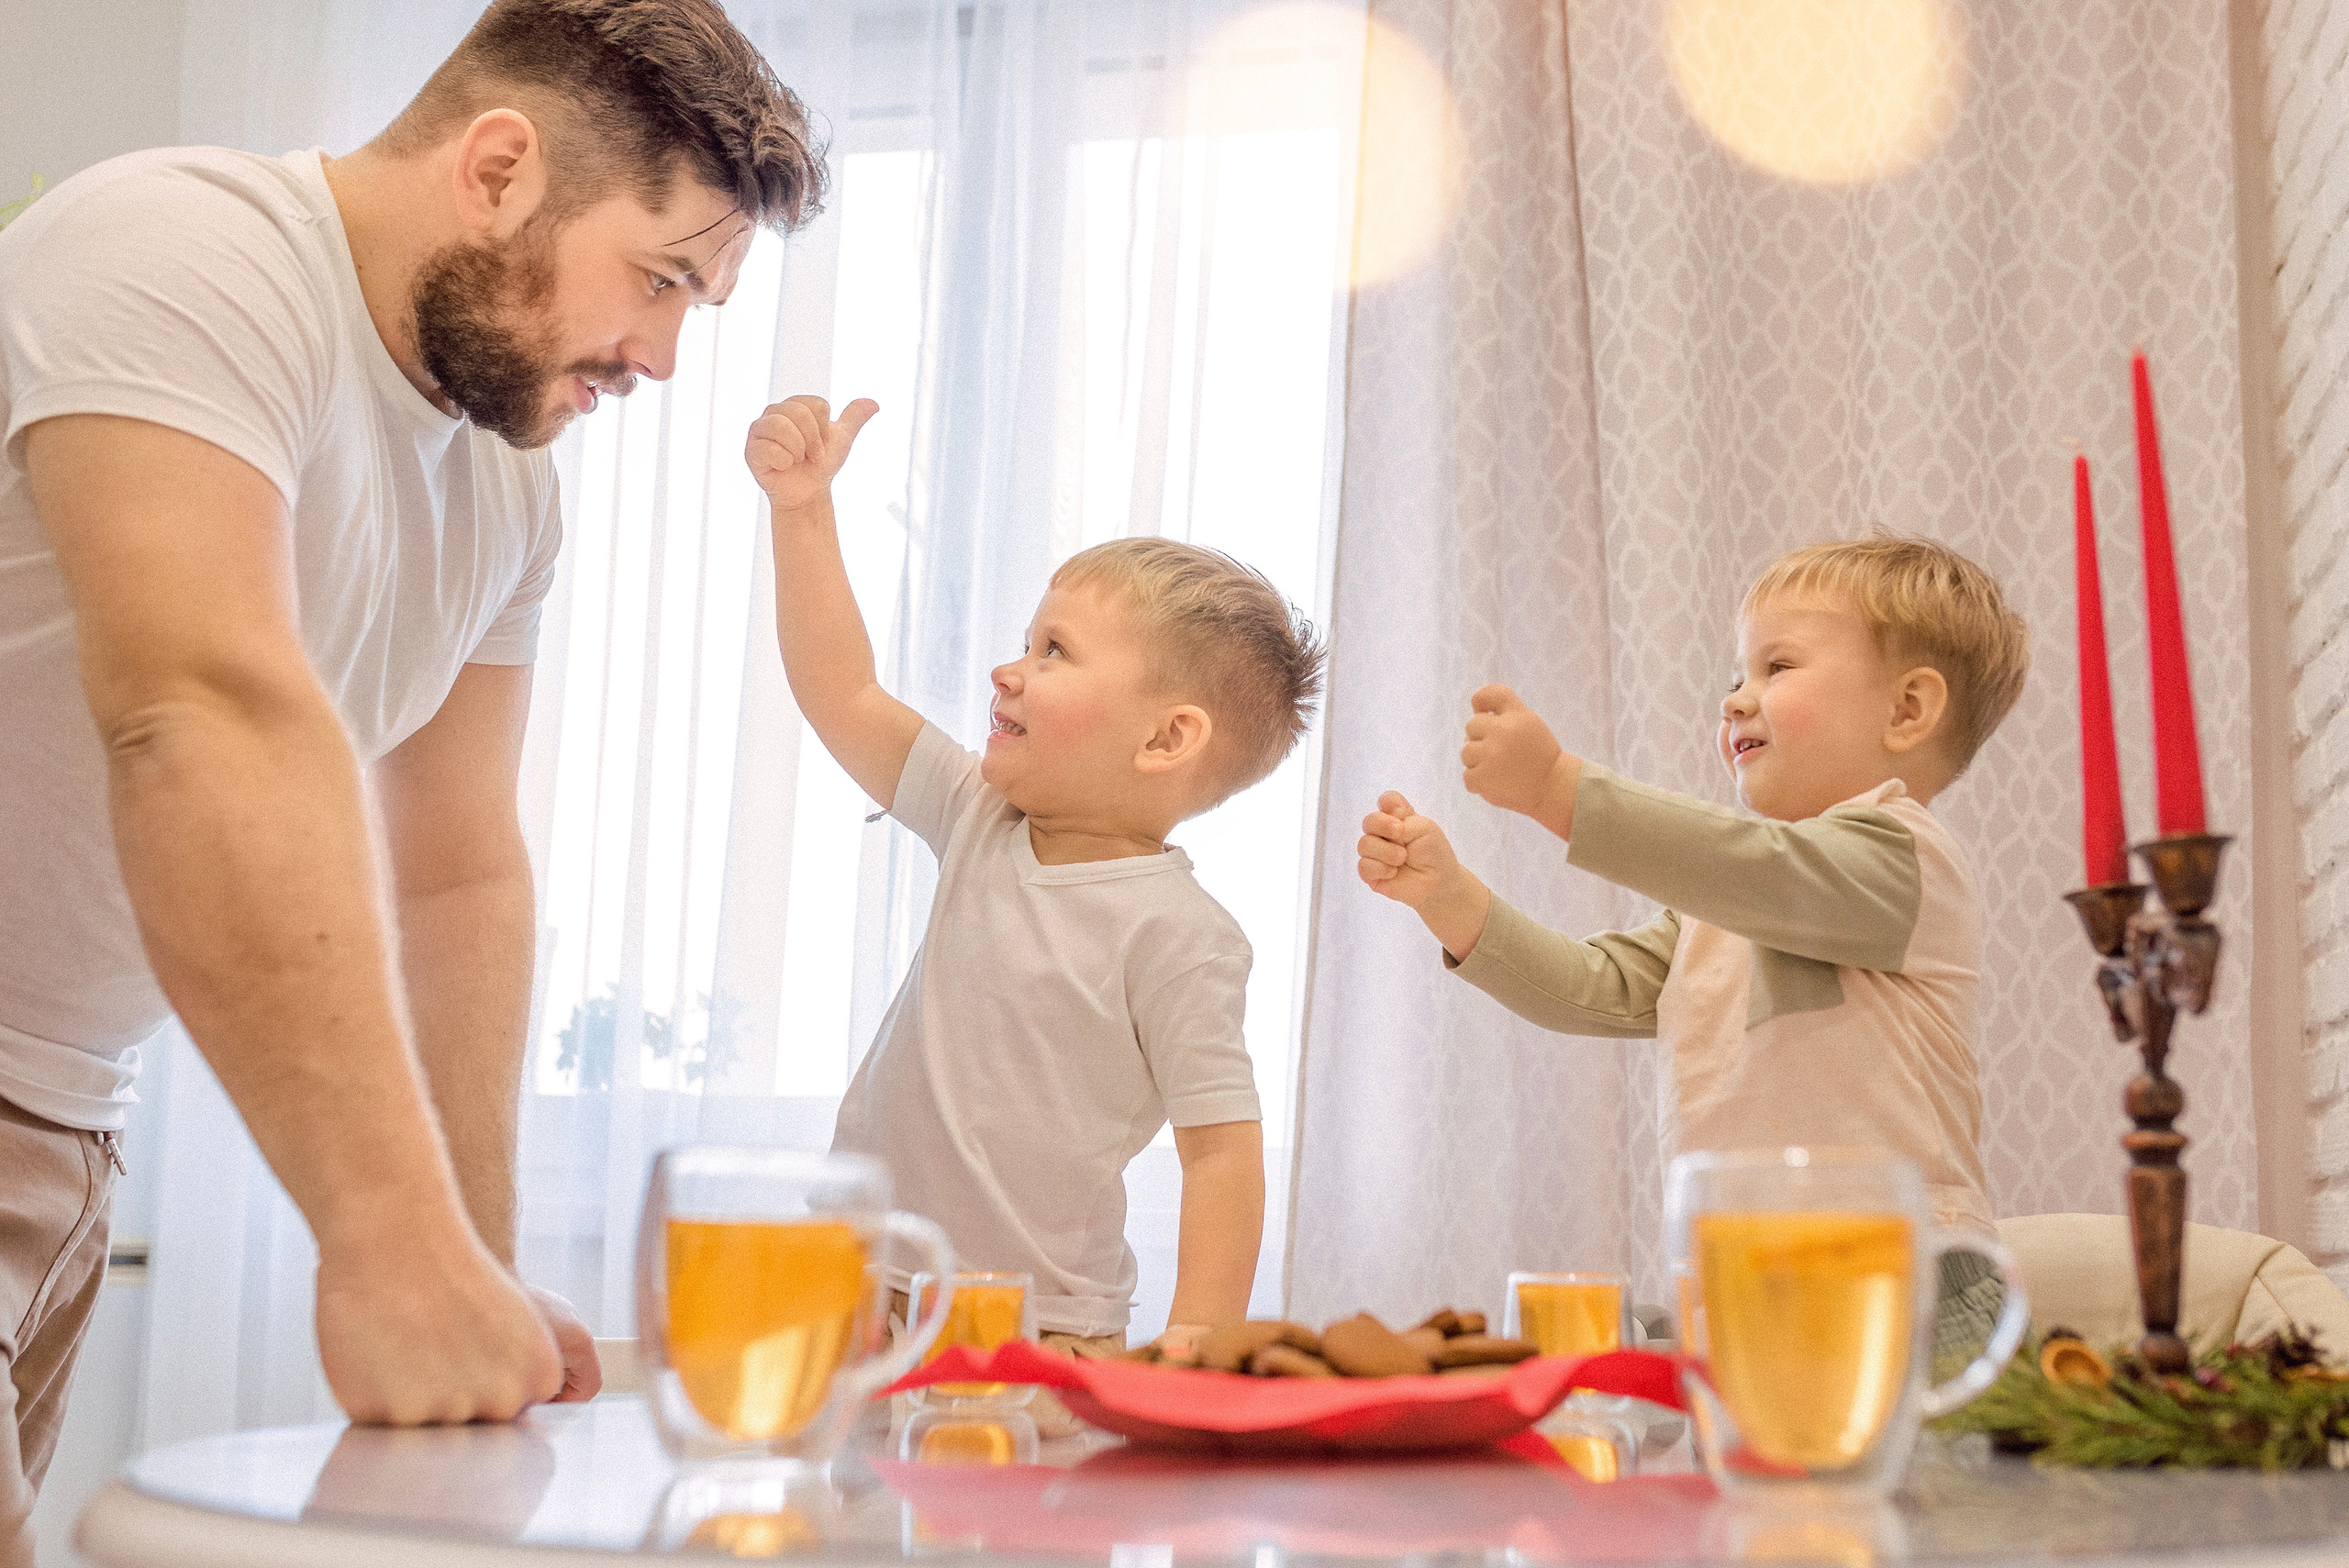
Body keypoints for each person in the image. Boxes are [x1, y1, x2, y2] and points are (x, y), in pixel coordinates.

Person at [0, 0, 824, 1552]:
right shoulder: (188, 249)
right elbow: (200, 708)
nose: (660, 354)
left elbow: (455, 866)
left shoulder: (508, 489)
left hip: (65, 1123)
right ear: (500, 167)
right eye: (660, 278)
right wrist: (384, 1243)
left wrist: (476, 1261)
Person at [745, 395, 1324, 1361]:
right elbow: (840, 689)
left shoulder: (1179, 934)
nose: (1008, 670)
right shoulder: (978, 813)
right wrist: (801, 510)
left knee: (1026, 1513)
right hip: (855, 1289)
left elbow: (1220, 1147)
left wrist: (1199, 1339)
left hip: (1045, 1328)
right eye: (1026, 640)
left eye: (1054, 651)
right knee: (840, 1507)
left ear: (1167, 737)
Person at [1357, 535, 2031, 1237]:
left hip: (1909, 1276)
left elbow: (1754, 869)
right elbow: (1593, 983)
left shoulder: (1907, 859)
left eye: (1778, 666)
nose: (1737, 699)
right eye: (1738, 675)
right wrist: (1448, 896)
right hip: (1748, 1278)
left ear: (1906, 710)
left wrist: (1555, 785)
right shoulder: (1724, 905)